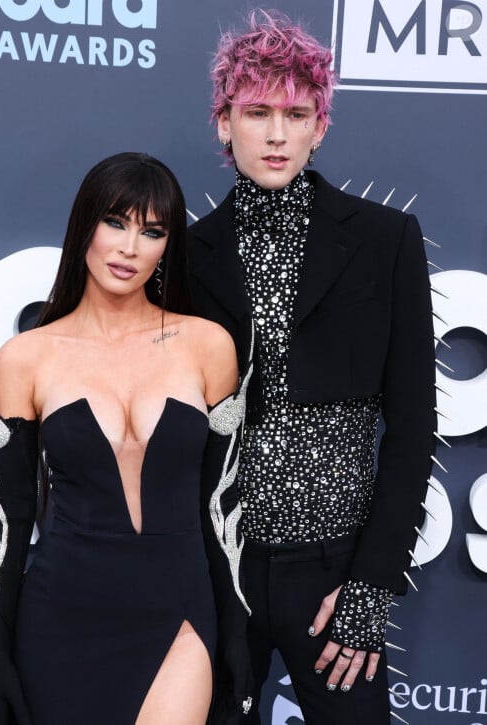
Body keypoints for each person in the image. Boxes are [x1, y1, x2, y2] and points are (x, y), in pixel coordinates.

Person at [187, 10, 436, 725]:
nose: (275, 134)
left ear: (320, 126)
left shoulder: (386, 241)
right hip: (217, 570)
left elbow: (414, 423)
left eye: (295, 114)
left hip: (335, 570)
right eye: (256, 111)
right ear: (223, 121)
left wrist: (371, 584)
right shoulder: (187, 252)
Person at [0, 152, 254, 725]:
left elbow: (222, 509)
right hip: (61, 614)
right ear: (84, 227)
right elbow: (11, 521)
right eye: (116, 222)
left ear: (167, 246)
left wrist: (238, 632)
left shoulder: (208, 345)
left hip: (179, 611)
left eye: (152, 231)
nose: (129, 247)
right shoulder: (25, 358)